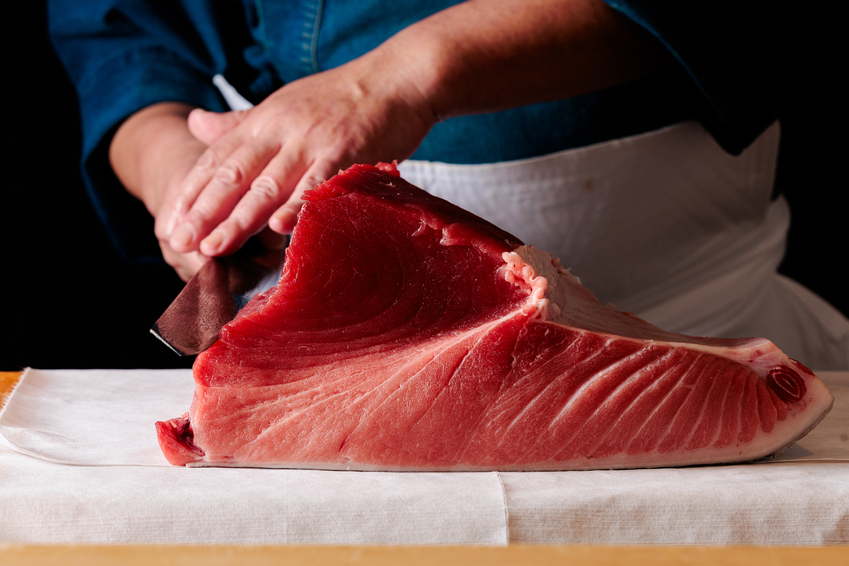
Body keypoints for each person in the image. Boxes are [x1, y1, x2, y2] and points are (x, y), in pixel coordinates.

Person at [49, 0, 848, 369]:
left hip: (697, 333)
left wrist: (404, 76)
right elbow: (122, 31)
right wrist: (178, 176)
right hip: (332, 364)